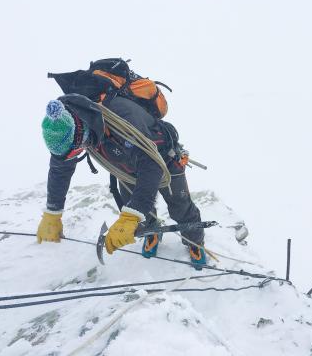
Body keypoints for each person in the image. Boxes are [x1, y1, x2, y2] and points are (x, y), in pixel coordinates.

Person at [36, 59, 207, 269]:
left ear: (81, 132)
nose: (75, 154)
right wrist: (53, 212)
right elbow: (60, 166)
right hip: (124, 166)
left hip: (162, 159)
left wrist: (132, 214)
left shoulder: (121, 114)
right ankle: (151, 230)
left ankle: (194, 241)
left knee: (180, 208)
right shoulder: (68, 125)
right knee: (136, 211)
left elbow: (151, 164)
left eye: (75, 149)